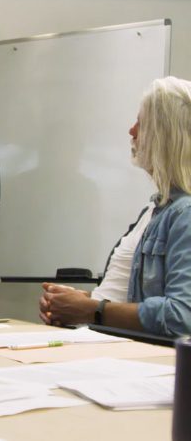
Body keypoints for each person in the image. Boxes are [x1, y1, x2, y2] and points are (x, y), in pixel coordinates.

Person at [40, 76, 191, 337]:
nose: (131, 131)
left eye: (141, 124)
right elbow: (133, 297)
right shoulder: (155, 210)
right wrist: (78, 303)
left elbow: (182, 316)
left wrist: (91, 309)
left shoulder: (185, 213)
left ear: (164, 135)